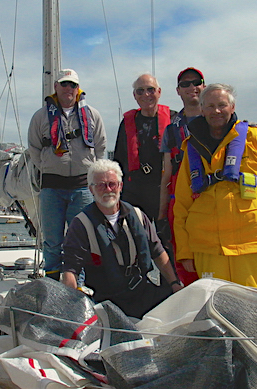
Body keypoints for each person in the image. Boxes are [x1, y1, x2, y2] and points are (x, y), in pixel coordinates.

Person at [173, 83, 257, 291]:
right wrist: (184, 251)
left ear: (232, 107)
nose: (216, 111)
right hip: (206, 248)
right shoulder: (191, 147)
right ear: (201, 109)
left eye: (222, 105)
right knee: (214, 310)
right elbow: (181, 204)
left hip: (253, 243)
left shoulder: (256, 139)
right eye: (209, 106)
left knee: (253, 309)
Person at [61, 159, 183, 319]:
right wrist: (70, 307)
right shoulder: (81, 224)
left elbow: (157, 252)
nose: (108, 189)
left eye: (112, 184)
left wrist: (174, 284)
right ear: (91, 189)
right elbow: (71, 270)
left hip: (141, 291)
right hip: (105, 300)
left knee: (179, 311)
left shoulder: (138, 215)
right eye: (101, 185)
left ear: (120, 186)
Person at [28, 69, 106, 281]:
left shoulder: (92, 115)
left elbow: (100, 148)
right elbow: (34, 148)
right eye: (64, 84)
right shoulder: (40, 116)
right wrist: (47, 166)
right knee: (52, 242)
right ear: (56, 87)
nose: (68, 89)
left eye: (72, 85)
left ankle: (78, 286)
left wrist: (95, 176)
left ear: (78, 88)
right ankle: (52, 286)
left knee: (80, 239)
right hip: (51, 188)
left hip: (82, 188)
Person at [157, 67, 205, 286]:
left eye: (196, 82)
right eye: (185, 84)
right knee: (183, 266)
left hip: (211, 200)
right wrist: (161, 217)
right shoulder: (171, 130)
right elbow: (166, 174)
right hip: (180, 203)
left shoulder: (218, 122)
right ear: (178, 91)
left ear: (204, 86)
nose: (191, 87)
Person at [113, 74, 176, 221]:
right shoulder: (127, 123)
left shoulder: (174, 119)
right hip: (134, 192)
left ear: (159, 92)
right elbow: (118, 160)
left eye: (150, 89)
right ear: (135, 95)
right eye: (140, 91)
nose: (146, 94)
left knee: (165, 240)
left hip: (163, 191)